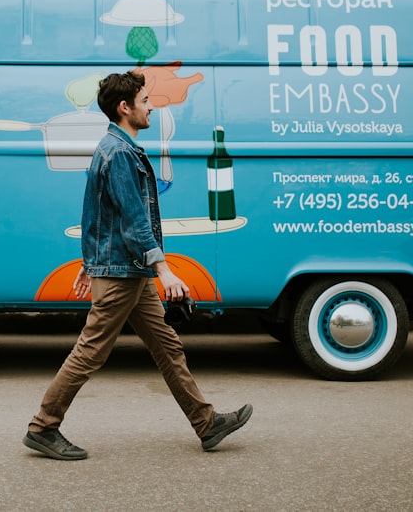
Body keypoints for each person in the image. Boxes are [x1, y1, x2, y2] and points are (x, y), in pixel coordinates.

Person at [22, 70, 252, 461]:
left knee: (167, 346)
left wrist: (88, 260)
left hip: (127, 269)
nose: (151, 107)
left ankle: (206, 422)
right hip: (123, 274)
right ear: (124, 107)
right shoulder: (120, 153)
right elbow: (132, 218)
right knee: (90, 351)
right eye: (145, 101)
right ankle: (43, 426)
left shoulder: (116, 149)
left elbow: (98, 212)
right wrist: (163, 269)